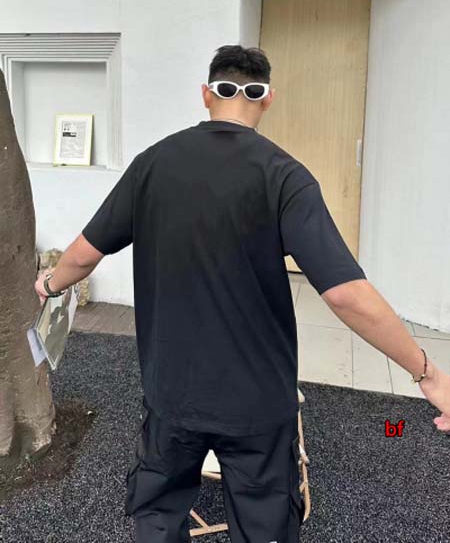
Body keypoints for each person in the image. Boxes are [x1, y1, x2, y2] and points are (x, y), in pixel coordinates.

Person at [34, 44, 450, 542]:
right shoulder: (285, 175)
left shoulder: (153, 164)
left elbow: (83, 255)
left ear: (206, 95)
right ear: (267, 99)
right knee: (263, 524)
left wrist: (49, 284)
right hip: (258, 403)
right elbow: (346, 294)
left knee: (158, 516)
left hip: (172, 394)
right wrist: (427, 374)